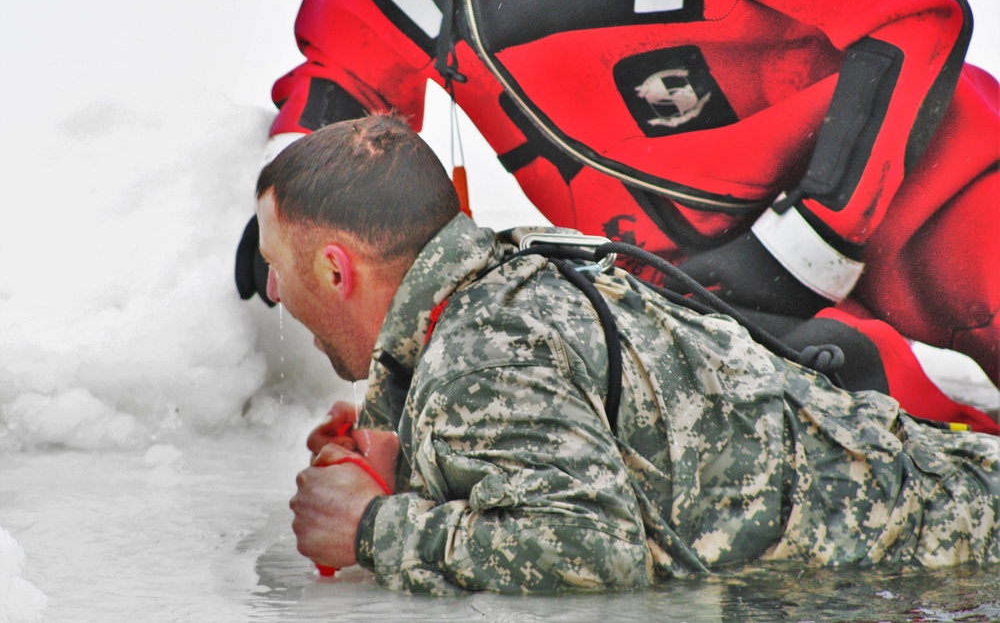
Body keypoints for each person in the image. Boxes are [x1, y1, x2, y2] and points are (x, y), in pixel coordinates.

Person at [258, 113, 998, 595]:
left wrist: (371, 526)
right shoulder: (505, 288)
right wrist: (408, 461)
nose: (270, 288)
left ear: (333, 268)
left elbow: (590, 549)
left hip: (951, 550)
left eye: (274, 263)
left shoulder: (479, 353)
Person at [236, 0, 1000, 396]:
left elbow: (909, 16)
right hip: (686, 288)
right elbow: (345, 75)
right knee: (861, 438)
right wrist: (293, 202)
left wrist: (809, 243)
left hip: (937, 194)